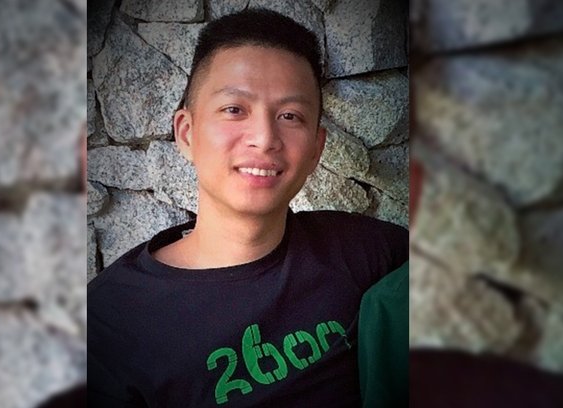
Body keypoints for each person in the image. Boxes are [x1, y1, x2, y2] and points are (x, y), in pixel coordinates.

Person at [88, 8, 408, 407]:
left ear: (315, 149)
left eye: (290, 116)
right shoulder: (108, 323)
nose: (264, 137)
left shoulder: (363, 250)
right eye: (235, 109)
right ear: (186, 133)